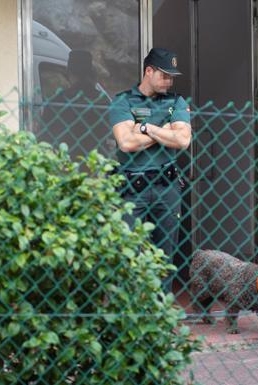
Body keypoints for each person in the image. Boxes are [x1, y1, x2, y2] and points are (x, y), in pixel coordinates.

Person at [108, 48, 191, 292]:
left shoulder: (176, 101)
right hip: (132, 191)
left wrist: (144, 129)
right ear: (148, 71)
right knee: (128, 256)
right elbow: (126, 143)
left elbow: (183, 140)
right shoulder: (123, 101)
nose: (169, 81)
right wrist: (164, 129)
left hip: (167, 190)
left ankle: (160, 317)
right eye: (164, 75)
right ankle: (130, 315)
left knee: (164, 257)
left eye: (171, 77)